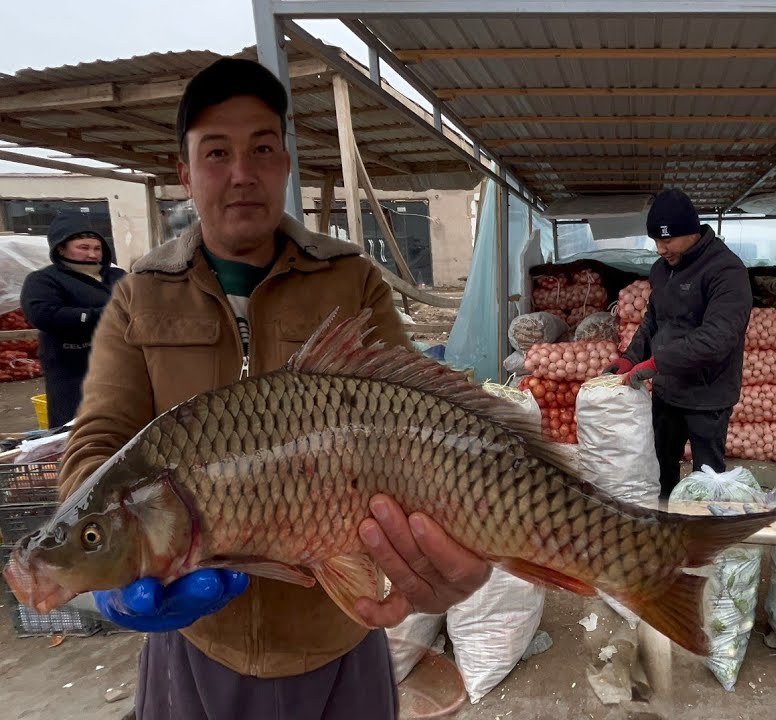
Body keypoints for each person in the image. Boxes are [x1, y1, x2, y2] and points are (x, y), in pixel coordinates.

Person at [57, 58, 490, 720]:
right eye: (216, 152)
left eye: (262, 148)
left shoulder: (351, 281)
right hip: (199, 645)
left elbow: (415, 421)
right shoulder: (140, 295)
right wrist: (106, 540)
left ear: (285, 163)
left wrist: (442, 554)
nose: (241, 172)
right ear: (184, 172)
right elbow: (97, 442)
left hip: (338, 635)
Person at [604, 188, 753, 498]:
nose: (660, 249)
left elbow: (717, 338)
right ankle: (663, 530)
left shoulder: (726, 271)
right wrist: (631, 357)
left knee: (707, 479)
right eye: (656, 241)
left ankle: (703, 536)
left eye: (667, 240)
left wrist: (657, 363)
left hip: (708, 395)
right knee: (660, 469)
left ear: (691, 232)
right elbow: (653, 320)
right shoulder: (662, 271)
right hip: (668, 392)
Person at [19, 212, 126, 427]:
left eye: (97, 248)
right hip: (73, 368)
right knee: (79, 429)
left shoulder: (117, 276)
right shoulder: (44, 280)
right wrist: (102, 315)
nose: (92, 254)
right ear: (60, 248)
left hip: (121, 365)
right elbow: (44, 314)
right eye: (83, 248)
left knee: (123, 426)